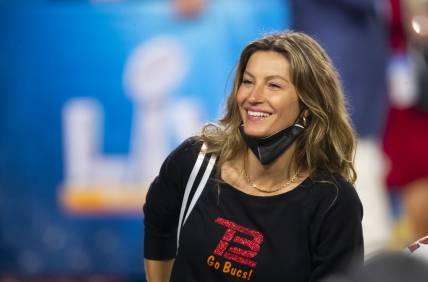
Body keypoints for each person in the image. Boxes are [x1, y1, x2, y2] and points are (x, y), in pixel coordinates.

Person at [143, 32, 364, 282]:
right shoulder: (194, 162)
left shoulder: (333, 201)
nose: (253, 97)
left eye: (274, 85)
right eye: (248, 82)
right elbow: (158, 228)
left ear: (308, 105)